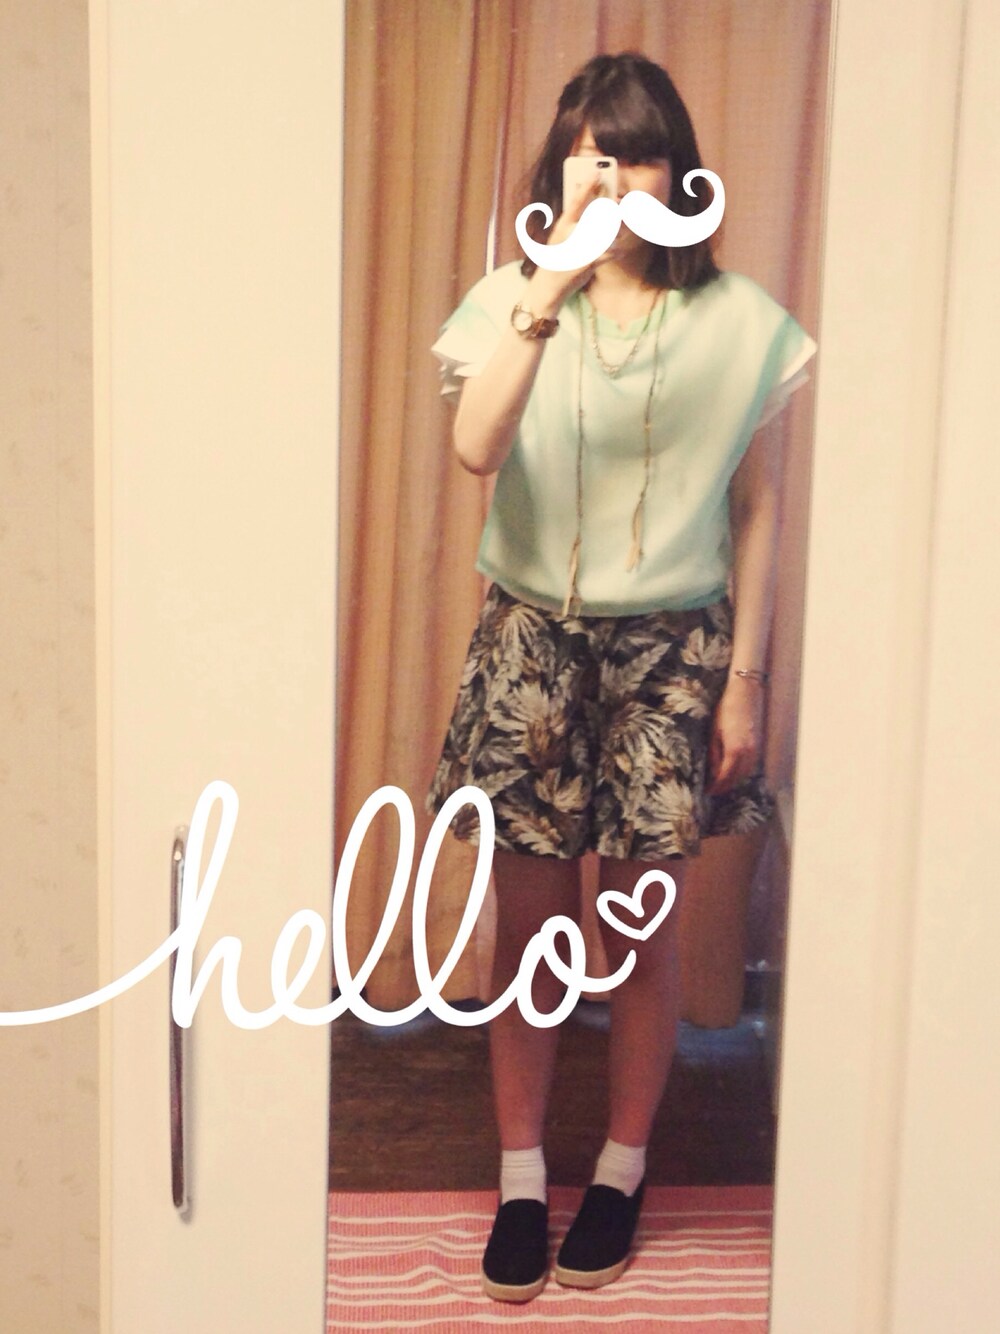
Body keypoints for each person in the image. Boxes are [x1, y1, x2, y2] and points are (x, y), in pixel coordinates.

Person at [427, 51, 816, 1303]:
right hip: (532, 643)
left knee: (638, 932)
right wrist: (549, 283)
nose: (610, 176)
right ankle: (521, 1179)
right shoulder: (510, 297)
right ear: (558, 169)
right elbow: (476, 447)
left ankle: (621, 1168)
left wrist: (745, 677)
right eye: (588, 153)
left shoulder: (736, 320)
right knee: (533, 928)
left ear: (677, 173)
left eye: (636, 153)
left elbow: (756, 507)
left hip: (673, 652)